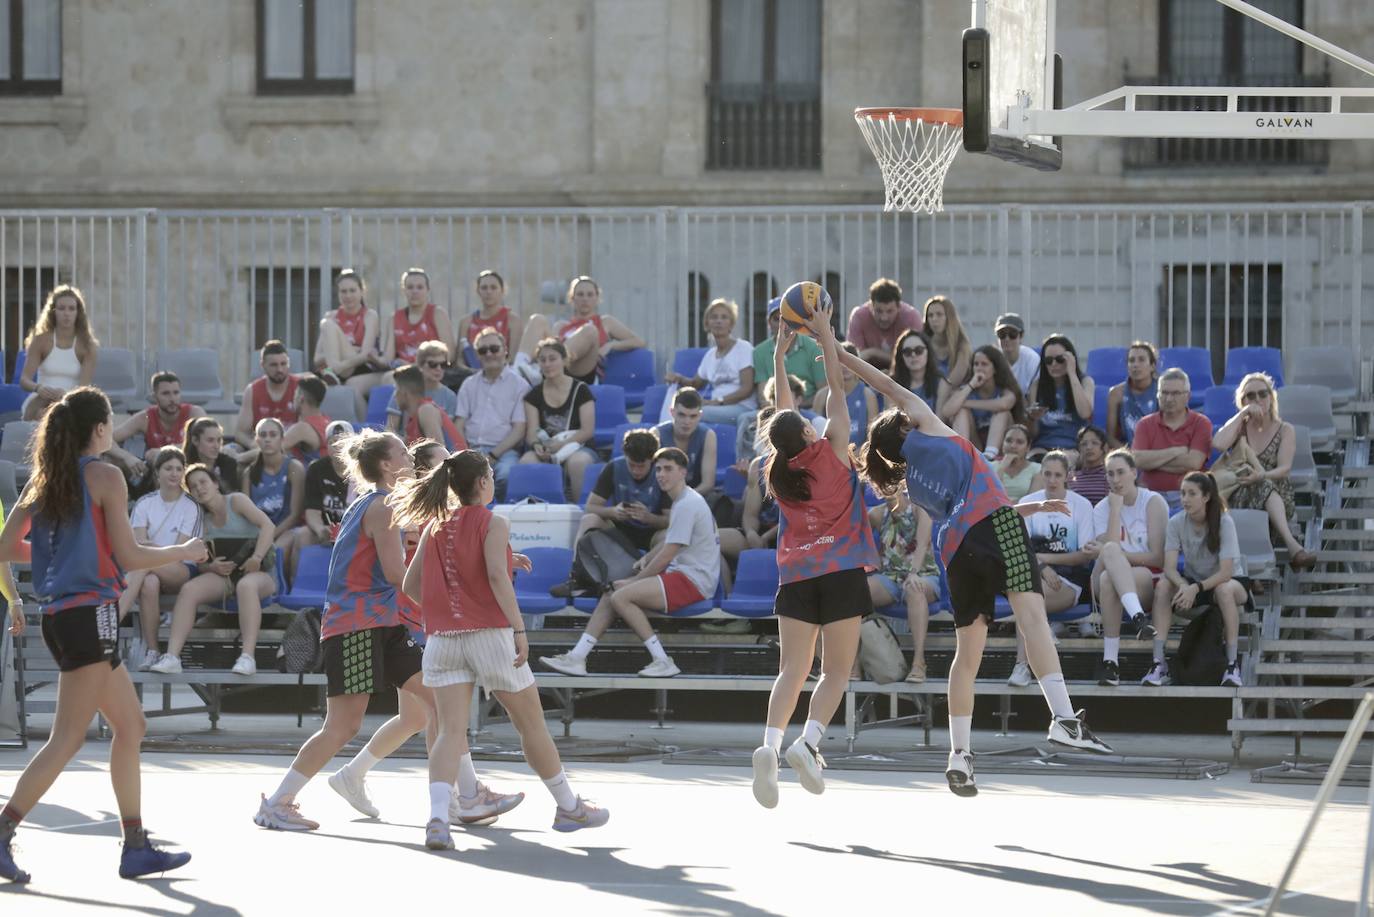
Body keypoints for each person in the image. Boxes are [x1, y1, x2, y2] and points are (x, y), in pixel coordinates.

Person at [842, 337, 1113, 799]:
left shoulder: (908, 475)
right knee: (1033, 620)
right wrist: (833, 345)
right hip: (998, 527)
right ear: (904, 421)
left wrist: (1031, 508)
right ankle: (1065, 719)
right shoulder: (927, 427)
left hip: (958, 550)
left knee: (966, 658)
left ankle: (960, 757)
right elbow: (881, 380)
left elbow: (970, 511)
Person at [0, 387, 205, 882]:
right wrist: (186, 552)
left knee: (131, 727)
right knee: (67, 738)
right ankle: (3, 830)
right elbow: (131, 557)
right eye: (110, 420)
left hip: (64, 617)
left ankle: (135, 845)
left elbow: (7, 546)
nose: (114, 427)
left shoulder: (47, 480)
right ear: (99, 428)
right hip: (91, 615)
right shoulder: (106, 475)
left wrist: (66, 552)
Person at [393, 450, 608, 847]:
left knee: (449, 733)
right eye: (490, 474)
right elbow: (494, 575)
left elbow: (411, 586)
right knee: (531, 725)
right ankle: (568, 805)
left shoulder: (434, 526)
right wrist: (519, 629)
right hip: (489, 635)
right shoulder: (495, 521)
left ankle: (438, 819)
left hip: (441, 639)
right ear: (482, 483)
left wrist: (445, 610)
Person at [252, 431, 435, 831]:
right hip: (356, 625)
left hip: (382, 622)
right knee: (342, 726)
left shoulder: (373, 502)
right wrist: (440, 607)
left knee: (436, 701)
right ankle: (279, 802)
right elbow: (394, 573)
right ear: (386, 465)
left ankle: (459, 796)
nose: (410, 457)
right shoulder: (382, 504)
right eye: (403, 452)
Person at [747, 300, 882, 809]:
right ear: (806, 431)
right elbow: (838, 391)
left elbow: (783, 415)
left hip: (797, 575)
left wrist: (780, 360)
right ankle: (808, 744)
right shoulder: (833, 448)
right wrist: (826, 335)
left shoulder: (777, 470)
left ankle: (769, 745)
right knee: (836, 672)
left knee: (792, 670)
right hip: (842, 570)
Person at [541, 447, 720, 679]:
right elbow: (669, 544)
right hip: (682, 575)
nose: (661, 475)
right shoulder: (684, 500)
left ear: (683, 472)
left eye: (668, 469)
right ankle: (577, 658)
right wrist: (647, 557)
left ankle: (662, 660)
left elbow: (669, 553)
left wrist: (634, 580)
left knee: (620, 595)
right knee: (611, 591)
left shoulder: (687, 504)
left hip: (693, 582)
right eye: (658, 470)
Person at [148, 463, 279, 677]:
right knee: (190, 590)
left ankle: (247, 657)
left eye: (203, 482)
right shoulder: (199, 519)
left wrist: (256, 557)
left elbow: (268, 526)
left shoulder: (236, 501)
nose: (199, 488)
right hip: (224, 577)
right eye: (193, 486)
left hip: (259, 573)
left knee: (246, 586)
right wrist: (211, 566)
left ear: (215, 483)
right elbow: (199, 561)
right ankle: (172, 657)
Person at [1143, 471, 1250, 688]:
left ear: (1206, 497)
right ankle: (1158, 662)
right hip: (1194, 583)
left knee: (1223, 590)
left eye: (1192, 494)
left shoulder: (1224, 522)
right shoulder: (1175, 523)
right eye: (1182, 493)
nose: (1185, 499)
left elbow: (1226, 572)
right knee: (1164, 586)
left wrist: (1195, 588)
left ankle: (1231, 665)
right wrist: (1184, 586)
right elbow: (1169, 568)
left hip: (1230, 582)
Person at [1008, 451, 1099, 686]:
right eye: (1047, 474)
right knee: (1027, 598)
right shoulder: (1028, 503)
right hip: (1033, 575)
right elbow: (1019, 551)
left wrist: (1042, 560)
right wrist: (1041, 567)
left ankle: (1023, 666)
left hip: (1070, 580)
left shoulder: (1082, 505)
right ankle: (1026, 662)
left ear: (1068, 476)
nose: (1052, 480)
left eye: (1057, 475)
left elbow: (1082, 556)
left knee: (1026, 603)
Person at [1211, 372, 1317, 569]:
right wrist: (1242, 414)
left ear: (1271, 397)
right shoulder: (1239, 427)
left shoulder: (1285, 429)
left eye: (1262, 394)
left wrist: (1261, 476)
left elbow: (1284, 469)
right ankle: (1293, 551)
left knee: (1263, 486)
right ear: (1242, 401)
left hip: (1276, 489)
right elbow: (1218, 443)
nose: (1257, 399)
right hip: (1240, 489)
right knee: (1249, 493)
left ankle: (1252, 568)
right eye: (1250, 396)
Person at [119, 447, 203, 671]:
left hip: (181, 570)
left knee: (143, 567)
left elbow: (182, 551)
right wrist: (153, 550)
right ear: (157, 473)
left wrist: (152, 549)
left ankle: (112, 622)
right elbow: (138, 544)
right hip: (150, 569)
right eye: (168, 468)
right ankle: (154, 651)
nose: (174, 473)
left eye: (178, 469)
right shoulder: (145, 503)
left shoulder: (191, 506)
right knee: (149, 582)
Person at [1091, 449, 1168, 687]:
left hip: (1146, 578)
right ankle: (1138, 619)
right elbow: (1112, 544)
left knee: (1110, 566)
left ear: (1134, 473)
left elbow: (1157, 558)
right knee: (1109, 562)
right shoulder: (1103, 508)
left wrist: (1118, 557)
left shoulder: (1153, 501)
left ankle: (1110, 662)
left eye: (1121, 472)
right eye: (1110, 474)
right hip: (1108, 581)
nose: (1115, 480)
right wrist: (1115, 508)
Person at [514, 276, 645, 386]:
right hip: (558, 371)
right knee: (538, 319)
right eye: (580, 295)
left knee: (590, 330)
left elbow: (639, 341)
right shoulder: (561, 326)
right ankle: (517, 369)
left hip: (583, 372)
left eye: (590, 295)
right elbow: (550, 347)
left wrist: (610, 345)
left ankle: (542, 372)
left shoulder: (605, 322)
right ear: (572, 299)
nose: (585, 299)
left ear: (597, 298)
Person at [867, 489, 938, 684]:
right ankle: (853, 665)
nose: (886, 490)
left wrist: (913, 573)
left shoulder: (920, 509)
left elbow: (922, 545)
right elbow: (856, 539)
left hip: (923, 574)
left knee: (915, 589)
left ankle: (918, 662)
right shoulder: (875, 514)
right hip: (889, 577)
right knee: (857, 591)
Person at [569, 428, 667, 561]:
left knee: (672, 536)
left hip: (652, 531)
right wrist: (613, 511)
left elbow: (671, 519)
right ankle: (576, 567)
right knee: (589, 519)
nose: (636, 471)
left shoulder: (662, 473)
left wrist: (649, 517)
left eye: (641, 466)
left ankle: (645, 569)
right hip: (620, 529)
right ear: (625, 456)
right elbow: (590, 507)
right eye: (631, 465)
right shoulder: (614, 467)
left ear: (653, 460)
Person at [453, 328, 530, 497]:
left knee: (505, 475)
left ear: (505, 351)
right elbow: (459, 424)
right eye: (483, 350)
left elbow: (519, 430)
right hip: (471, 449)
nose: (489, 354)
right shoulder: (469, 384)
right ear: (478, 356)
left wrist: (493, 455)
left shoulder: (520, 385)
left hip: (503, 452)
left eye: (494, 349)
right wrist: (466, 453)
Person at [520, 337, 598, 501]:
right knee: (527, 461)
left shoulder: (581, 390)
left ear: (564, 360)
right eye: (543, 360)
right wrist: (536, 446)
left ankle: (580, 511)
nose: (547, 364)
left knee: (578, 462)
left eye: (552, 359)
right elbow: (532, 432)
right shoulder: (533, 395)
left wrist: (561, 445)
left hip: (577, 446)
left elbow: (587, 430)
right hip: (548, 447)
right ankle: (538, 510)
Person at [107, 371, 206, 489]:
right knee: (108, 460)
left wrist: (162, 452)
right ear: (154, 397)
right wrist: (127, 457)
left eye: (176, 393)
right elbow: (106, 439)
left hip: (190, 470)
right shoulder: (145, 417)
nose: (172, 399)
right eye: (166, 393)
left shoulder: (194, 413)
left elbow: (208, 442)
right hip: (157, 476)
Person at [665, 298, 756, 425]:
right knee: (684, 412)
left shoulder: (744, 348)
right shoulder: (710, 355)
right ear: (707, 323)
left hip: (742, 407)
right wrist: (679, 378)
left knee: (692, 415)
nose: (719, 321)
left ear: (731, 324)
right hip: (717, 407)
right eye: (714, 317)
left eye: (724, 317)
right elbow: (695, 383)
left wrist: (717, 402)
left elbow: (747, 389)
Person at [1130, 367, 1212, 509]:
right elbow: (1137, 460)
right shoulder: (1145, 424)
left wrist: (1153, 462)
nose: (1168, 399)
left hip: (1189, 496)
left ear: (1187, 396)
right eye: (1164, 393)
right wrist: (1176, 451)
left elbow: (1193, 464)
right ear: (1157, 395)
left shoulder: (1201, 423)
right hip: (1151, 494)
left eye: (1175, 393)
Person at [284, 420, 355, 581]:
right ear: (326, 446)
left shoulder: (362, 470)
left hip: (354, 531)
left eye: (343, 441)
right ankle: (296, 585)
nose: (337, 446)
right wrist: (320, 529)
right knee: (302, 536)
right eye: (332, 442)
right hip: (325, 529)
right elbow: (312, 511)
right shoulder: (317, 469)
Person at [18, 285, 99, 421]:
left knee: (68, 412)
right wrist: (39, 388)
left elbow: (84, 387)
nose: (66, 313)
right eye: (61, 308)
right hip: (41, 399)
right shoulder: (40, 340)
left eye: (71, 309)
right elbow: (24, 380)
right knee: (42, 413)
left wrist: (66, 395)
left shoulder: (87, 345)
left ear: (78, 313)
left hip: (72, 401)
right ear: (53, 312)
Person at [314, 269, 387, 417]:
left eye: (352, 290)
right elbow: (316, 359)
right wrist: (339, 352)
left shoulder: (369, 315)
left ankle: (333, 371)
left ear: (362, 292)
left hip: (357, 367)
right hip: (335, 368)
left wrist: (338, 364)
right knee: (327, 323)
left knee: (328, 325)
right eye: (343, 291)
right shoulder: (331, 317)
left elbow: (366, 354)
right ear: (338, 294)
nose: (348, 296)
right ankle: (333, 372)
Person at [941, 344, 1026, 456]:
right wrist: (971, 385)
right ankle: (961, 453)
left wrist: (965, 403)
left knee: (1002, 412)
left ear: (995, 368)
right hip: (976, 444)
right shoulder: (966, 389)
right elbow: (947, 411)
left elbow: (1005, 404)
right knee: (961, 411)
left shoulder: (1004, 389)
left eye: (984, 364)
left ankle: (990, 456)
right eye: (976, 364)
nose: (979, 368)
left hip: (1001, 445)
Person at [240, 418, 306, 554]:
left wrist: (269, 536)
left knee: (277, 551)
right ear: (257, 440)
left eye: (273, 435)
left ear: (282, 439)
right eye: (263, 435)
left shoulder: (294, 468)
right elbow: (246, 514)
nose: (267, 439)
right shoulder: (249, 473)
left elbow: (295, 515)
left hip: (286, 530)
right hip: (257, 532)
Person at [237, 374, 332, 468]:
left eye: (294, 394)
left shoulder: (302, 428)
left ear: (301, 399)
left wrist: (237, 457)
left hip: (308, 479)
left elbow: (271, 449)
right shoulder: (326, 421)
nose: (293, 398)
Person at [1028, 334, 1095, 458]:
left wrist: (1072, 373)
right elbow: (1033, 433)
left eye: (1060, 359)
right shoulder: (1036, 386)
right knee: (1034, 463)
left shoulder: (1085, 381)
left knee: (1059, 463)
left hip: (1074, 447)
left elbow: (1085, 413)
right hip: (1042, 447)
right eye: (1048, 361)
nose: (1054, 364)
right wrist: (1033, 419)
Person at [752, 297, 826, 406]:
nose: (782, 324)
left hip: (807, 409)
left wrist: (796, 406)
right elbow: (763, 397)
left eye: (787, 318)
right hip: (774, 411)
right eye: (777, 319)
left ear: (796, 320)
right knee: (745, 419)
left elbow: (823, 391)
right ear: (769, 323)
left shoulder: (814, 347)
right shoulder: (759, 351)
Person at [380, 268, 453, 369]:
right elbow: (388, 359)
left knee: (389, 379)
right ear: (404, 290)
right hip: (401, 371)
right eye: (410, 287)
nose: (415, 291)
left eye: (420, 287)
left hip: (431, 371)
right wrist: (370, 357)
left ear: (427, 290)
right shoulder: (394, 318)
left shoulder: (438, 314)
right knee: (355, 382)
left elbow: (450, 354)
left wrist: (413, 366)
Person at [812, 342, 880, 449]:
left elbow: (872, 437)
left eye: (848, 361)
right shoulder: (822, 396)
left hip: (859, 458)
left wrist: (855, 458)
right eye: (839, 361)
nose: (844, 366)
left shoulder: (868, 395)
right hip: (830, 458)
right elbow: (815, 437)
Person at [235, 340, 300, 449]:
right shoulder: (252, 390)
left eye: (283, 364)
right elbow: (240, 433)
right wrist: (253, 445)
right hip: (260, 450)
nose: (279, 369)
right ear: (263, 365)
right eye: (274, 365)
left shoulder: (299, 388)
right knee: (230, 450)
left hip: (291, 451)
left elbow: (307, 428)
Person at [655, 387, 719, 496]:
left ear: (700, 415)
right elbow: (652, 480)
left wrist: (683, 500)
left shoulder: (708, 436)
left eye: (693, 416)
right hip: (663, 497)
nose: (687, 421)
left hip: (695, 496)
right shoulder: (657, 434)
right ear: (672, 412)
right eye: (682, 415)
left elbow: (708, 484)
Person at [846, 277, 922, 370]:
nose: (884, 317)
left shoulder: (911, 317)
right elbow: (853, 359)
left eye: (890, 311)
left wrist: (873, 353)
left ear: (899, 307)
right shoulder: (858, 316)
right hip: (867, 374)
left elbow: (916, 358)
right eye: (878, 311)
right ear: (871, 306)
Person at [384, 340, 459, 432]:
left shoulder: (450, 397)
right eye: (433, 364)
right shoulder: (404, 389)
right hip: (404, 443)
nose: (439, 369)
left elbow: (447, 433)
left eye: (443, 365)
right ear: (420, 365)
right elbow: (390, 429)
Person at [393, 363, 467, 453]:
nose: (394, 396)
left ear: (404, 392)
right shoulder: (412, 419)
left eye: (396, 390)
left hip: (459, 466)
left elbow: (439, 455)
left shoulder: (427, 410)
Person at [457, 269, 524, 361]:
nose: (488, 292)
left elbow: (512, 359)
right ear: (478, 291)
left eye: (493, 287)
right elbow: (460, 361)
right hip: (471, 372)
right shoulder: (466, 322)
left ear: (502, 290)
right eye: (484, 288)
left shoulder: (512, 320)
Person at [1107, 341, 1159, 448]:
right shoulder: (1116, 393)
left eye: (1141, 360)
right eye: (1131, 360)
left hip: (1158, 451)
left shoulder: (1163, 391)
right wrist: (1130, 455)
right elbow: (1110, 437)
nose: (1135, 365)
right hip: (1128, 453)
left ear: (1152, 366)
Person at [922, 294, 972, 387]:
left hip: (951, 395)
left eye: (939, 314)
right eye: (930, 315)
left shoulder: (961, 345)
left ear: (949, 317)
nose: (934, 319)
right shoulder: (923, 344)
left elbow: (954, 380)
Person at [182, 416, 241, 495]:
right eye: (210, 440)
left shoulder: (228, 464)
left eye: (219, 440)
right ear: (195, 440)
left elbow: (231, 496)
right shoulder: (183, 465)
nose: (216, 446)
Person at [889, 328, 944, 411]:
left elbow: (940, 420)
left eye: (919, 350)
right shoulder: (892, 385)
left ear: (928, 352)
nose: (913, 355)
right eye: (907, 352)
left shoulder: (940, 382)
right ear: (901, 356)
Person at [994, 313, 1040, 395]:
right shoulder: (992, 360)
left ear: (1021, 336)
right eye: (1002, 334)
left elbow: (1032, 399)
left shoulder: (1032, 359)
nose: (1007, 339)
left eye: (1013, 334)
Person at [996, 424, 1043, 502]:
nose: (1013, 446)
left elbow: (1032, 502)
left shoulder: (1037, 469)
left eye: (1019, 442)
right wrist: (1001, 468)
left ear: (1028, 447)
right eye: (1008, 440)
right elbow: (987, 497)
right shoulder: (988, 466)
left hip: (1023, 512)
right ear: (1002, 444)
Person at [1069, 425, 1110, 504]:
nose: (1089, 447)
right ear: (1079, 449)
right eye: (1084, 444)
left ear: (1104, 448)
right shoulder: (1071, 478)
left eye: (1095, 443)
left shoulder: (1111, 476)